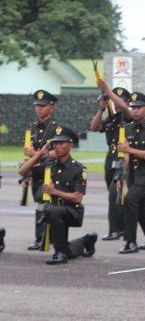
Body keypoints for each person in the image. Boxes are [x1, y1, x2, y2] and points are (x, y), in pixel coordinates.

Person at [18, 126, 97, 264]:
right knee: (66, 244)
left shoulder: (78, 169)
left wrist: (55, 192)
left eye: (61, 143)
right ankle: (85, 241)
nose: (57, 147)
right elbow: (22, 171)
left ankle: (59, 254)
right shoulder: (49, 164)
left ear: (71, 145)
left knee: (52, 211)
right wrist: (38, 154)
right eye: (55, 144)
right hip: (53, 211)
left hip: (73, 211)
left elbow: (78, 197)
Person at [115, 92, 145, 254]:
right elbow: (123, 155)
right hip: (132, 173)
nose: (135, 110)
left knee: (131, 200)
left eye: (139, 107)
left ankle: (130, 241)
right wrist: (120, 176)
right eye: (133, 107)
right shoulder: (126, 128)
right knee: (140, 207)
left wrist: (129, 149)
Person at [90, 87, 131, 241]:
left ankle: (115, 230)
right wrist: (101, 109)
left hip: (124, 159)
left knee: (116, 193)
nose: (116, 103)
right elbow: (94, 127)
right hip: (111, 159)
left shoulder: (129, 116)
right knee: (114, 196)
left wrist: (113, 98)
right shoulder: (112, 119)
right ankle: (122, 228)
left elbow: (124, 108)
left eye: (120, 100)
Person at [24, 90, 61, 251]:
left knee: (44, 202)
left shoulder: (57, 129)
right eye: (37, 105)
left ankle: (43, 238)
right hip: (36, 172)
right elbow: (26, 150)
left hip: (50, 171)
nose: (39, 108)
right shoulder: (31, 127)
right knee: (40, 205)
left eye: (43, 105)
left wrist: (37, 154)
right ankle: (44, 237)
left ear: (51, 107)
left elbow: (59, 151)